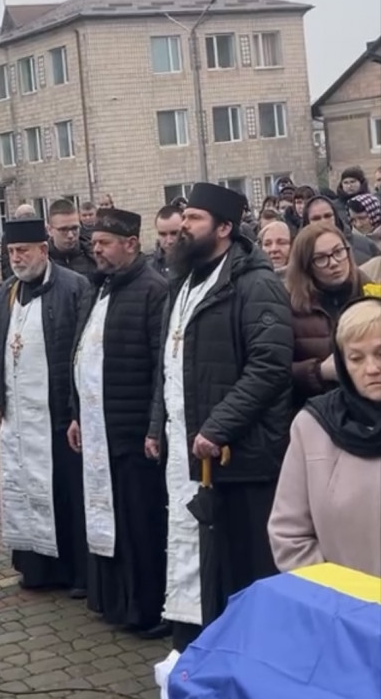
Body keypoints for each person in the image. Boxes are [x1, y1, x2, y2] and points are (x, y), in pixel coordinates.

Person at [145, 182, 294, 653]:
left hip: (238, 455)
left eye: (194, 220)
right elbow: (170, 364)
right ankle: (202, 641)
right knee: (196, 552)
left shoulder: (256, 282)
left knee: (242, 566)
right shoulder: (184, 281)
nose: (182, 228)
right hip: (188, 448)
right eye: (183, 218)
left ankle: (251, 653)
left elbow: (269, 366)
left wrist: (218, 426)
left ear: (225, 228)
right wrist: (156, 425)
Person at [69, 209, 169, 637]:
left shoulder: (154, 290)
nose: (96, 250)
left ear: (131, 243)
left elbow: (161, 366)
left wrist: (153, 427)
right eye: (94, 244)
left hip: (131, 433)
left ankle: (145, 609)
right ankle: (112, 602)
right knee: (106, 517)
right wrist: (75, 412)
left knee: (139, 525)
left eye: (105, 243)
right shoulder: (98, 288)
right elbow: (81, 353)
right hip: (95, 428)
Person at [0, 217, 90, 596]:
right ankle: (35, 568)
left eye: (24, 251)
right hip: (17, 414)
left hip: (56, 414)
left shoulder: (73, 287)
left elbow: (79, 350)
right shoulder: (6, 292)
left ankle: (72, 572)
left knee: (62, 492)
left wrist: (74, 408)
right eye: (12, 252)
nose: (17, 259)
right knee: (22, 488)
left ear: (43, 251)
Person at [268, 297, 381, 577]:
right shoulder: (313, 427)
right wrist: (345, 600)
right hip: (343, 611)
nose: (371, 369)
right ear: (342, 363)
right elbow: (289, 536)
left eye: (380, 353)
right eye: (356, 358)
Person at [286, 225, 368, 411]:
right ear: (306, 265)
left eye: (338, 252)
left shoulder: (371, 293)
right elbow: (274, 371)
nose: (333, 262)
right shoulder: (289, 307)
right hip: (319, 414)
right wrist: (319, 372)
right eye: (321, 258)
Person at [303, 194, 379, 265]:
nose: (323, 221)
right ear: (307, 222)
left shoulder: (365, 244)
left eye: (327, 216)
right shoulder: (300, 252)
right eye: (316, 218)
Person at [46, 199, 96, 282]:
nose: (70, 235)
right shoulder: (41, 263)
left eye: (74, 228)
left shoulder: (94, 257)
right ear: (50, 230)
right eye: (63, 230)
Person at [0, 204, 36, 281]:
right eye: (25, 216)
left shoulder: (39, 233)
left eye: (30, 216)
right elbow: (5, 261)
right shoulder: (9, 236)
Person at [148, 205, 182, 279]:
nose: (169, 240)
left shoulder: (200, 262)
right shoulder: (148, 269)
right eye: (163, 234)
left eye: (174, 233)